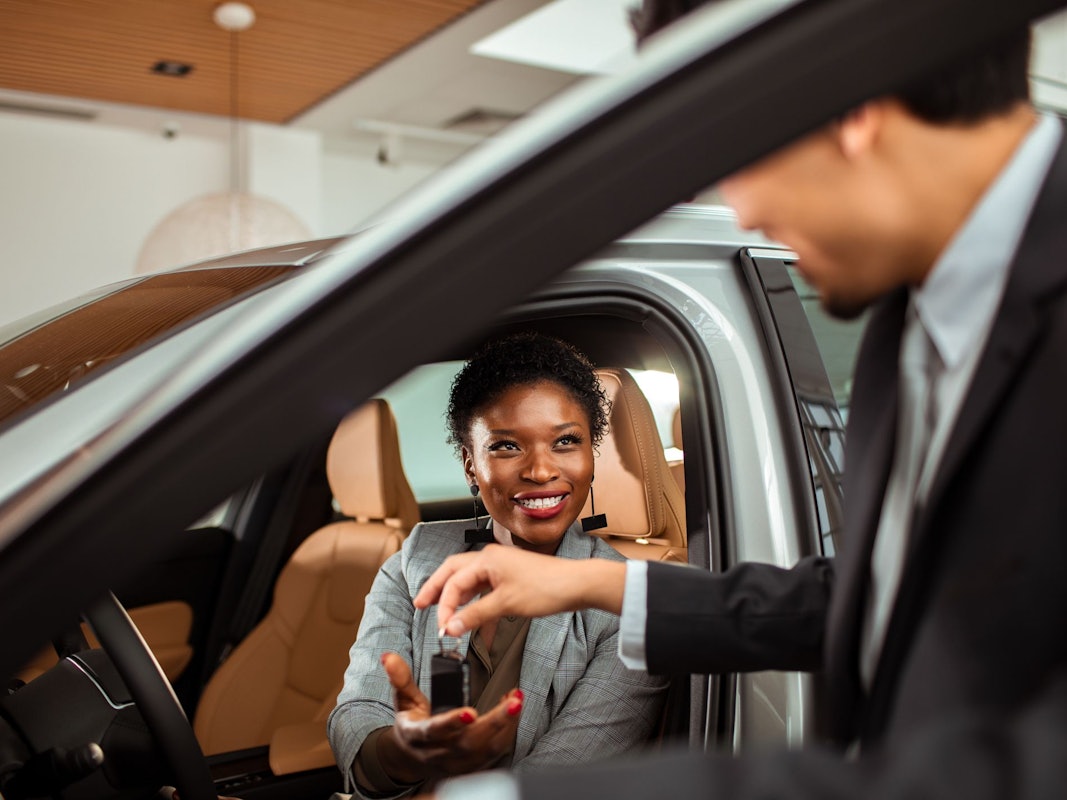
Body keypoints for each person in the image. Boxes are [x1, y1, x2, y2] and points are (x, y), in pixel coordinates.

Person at [412, 1, 1067, 798]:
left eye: (735, 156)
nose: (745, 212)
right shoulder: (912, 320)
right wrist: (593, 584)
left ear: (850, 109)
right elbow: (870, 595)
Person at [327, 332, 667, 799]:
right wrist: (403, 753)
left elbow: (563, 777)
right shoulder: (417, 557)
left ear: (592, 454)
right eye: (507, 446)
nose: (541, 470)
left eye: (566, 441)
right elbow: (358, 711)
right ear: (470, 466)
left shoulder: (626, 602)